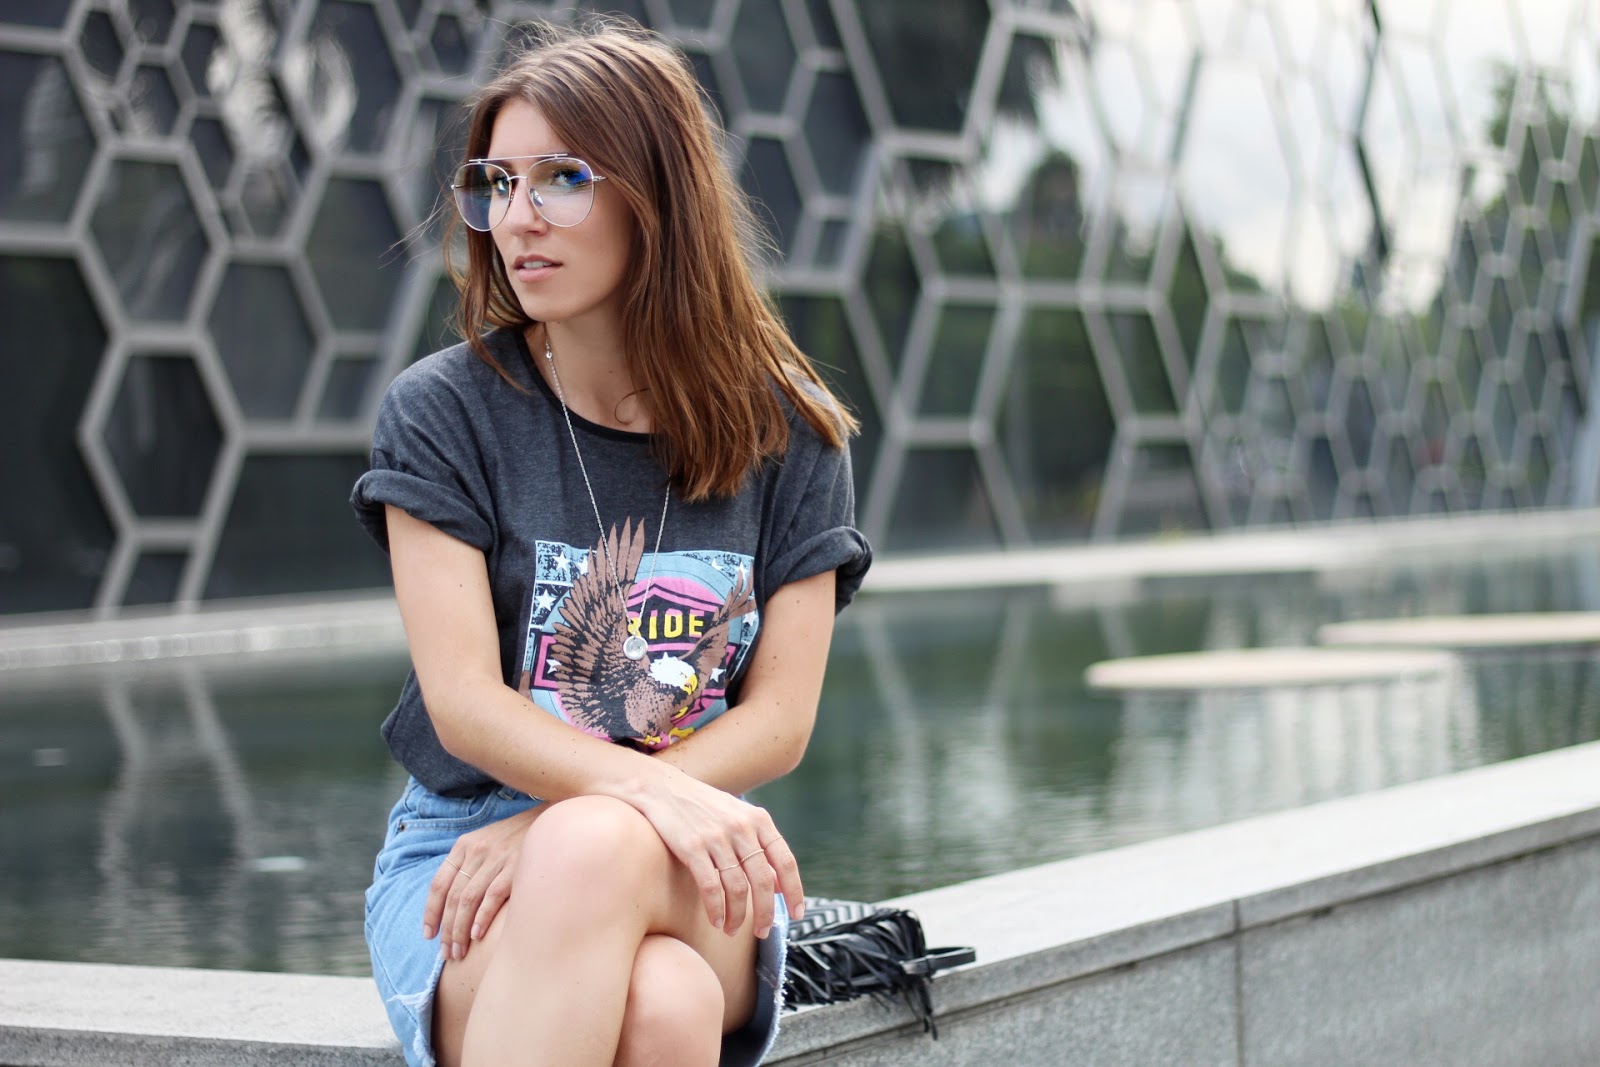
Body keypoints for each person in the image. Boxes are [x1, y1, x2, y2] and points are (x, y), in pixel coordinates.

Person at [350, 15, 871, 1067]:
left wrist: (592, 817)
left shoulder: (791, 432)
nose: (517, 218)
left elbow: (779, 720)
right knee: (665, 1006)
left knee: (591, 848)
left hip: (689, 850)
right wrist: (600, 803)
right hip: (465, 852)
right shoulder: (444, 413)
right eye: (497, 183)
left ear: (656, 195)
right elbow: (464, 703)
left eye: (562, 180)